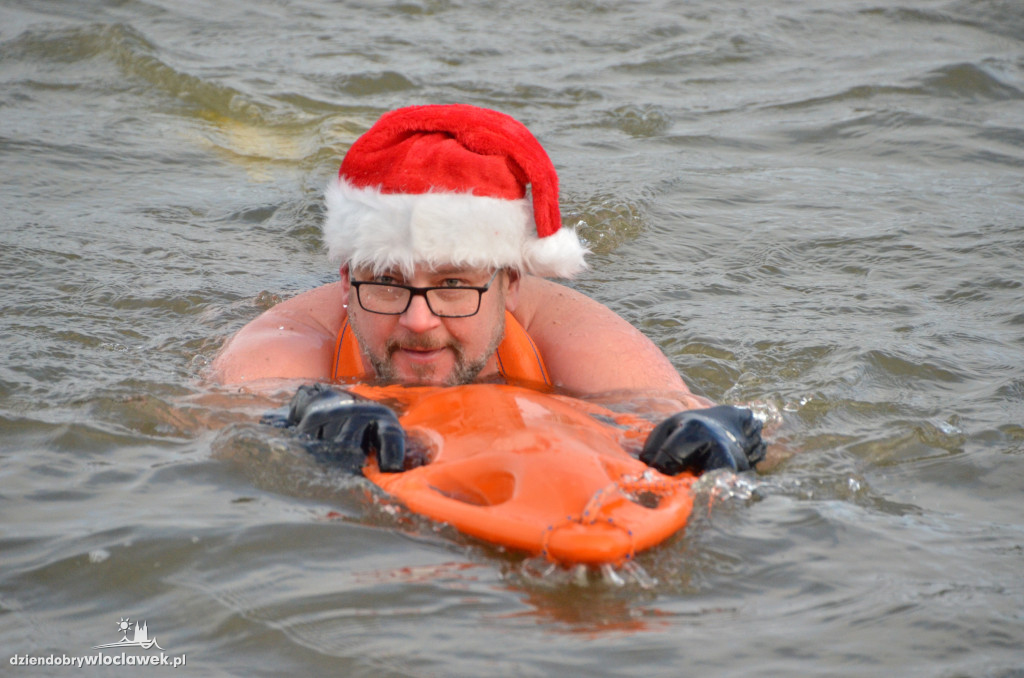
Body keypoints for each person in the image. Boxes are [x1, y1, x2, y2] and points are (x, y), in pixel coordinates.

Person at [212, 104, 765, 475]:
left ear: (512, 285)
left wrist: (722, 436)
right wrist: (294, 422)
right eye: (387, 282)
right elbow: (206, 418)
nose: (418, 321)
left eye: (453, 284)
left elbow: (719, 422)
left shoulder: (577, 339)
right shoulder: (288, 342)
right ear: (345, 280)